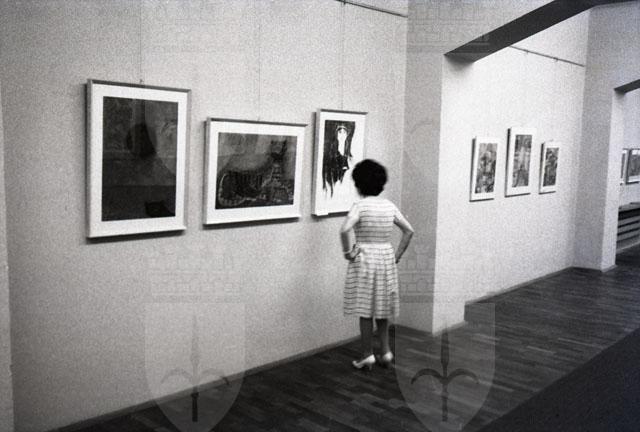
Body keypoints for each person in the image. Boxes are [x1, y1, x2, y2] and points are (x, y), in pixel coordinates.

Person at [339, 159, 414, 370]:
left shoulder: (360, 206)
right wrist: (397, 255)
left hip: (365, 258)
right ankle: (386, 351)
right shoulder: (389, 206)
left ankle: (367, 354)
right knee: (382, 308)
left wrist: (347, 253)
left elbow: (344, 229)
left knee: (365, 310)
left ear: (358, 184)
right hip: (385, 258)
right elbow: (409, 230)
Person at [323, 123, 353, 196]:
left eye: (344, 132)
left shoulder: (349, 152)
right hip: (333, 181)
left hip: (345, 183)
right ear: (336, 134)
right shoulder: (331, 152)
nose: (342, 135)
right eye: (340, 132)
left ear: (347, 135)